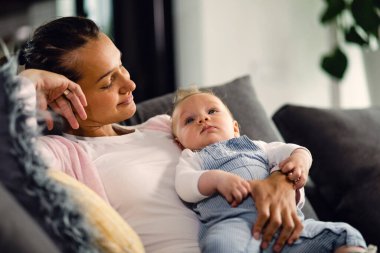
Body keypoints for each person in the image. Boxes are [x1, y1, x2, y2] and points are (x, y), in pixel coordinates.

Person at [17, 16, 312, 253]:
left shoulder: (165, 126)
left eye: (121, 66)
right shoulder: (60, 154)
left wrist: (282, 182)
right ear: (61, 97)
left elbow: (247, 157)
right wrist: (28, 83)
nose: (129, 84)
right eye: (108, 82)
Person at [171, 88, 367, 253]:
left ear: (235, 128)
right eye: (189, 120)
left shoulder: (259, 147)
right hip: (232, 226)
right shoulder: (193, 157)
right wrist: (216, 180)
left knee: (345, 234)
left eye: (212, 111)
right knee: (219, 246)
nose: (203, 119)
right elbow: (184, 184)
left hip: (287, 224)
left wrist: (300, 160)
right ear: (180, 144)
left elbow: (294, 150)